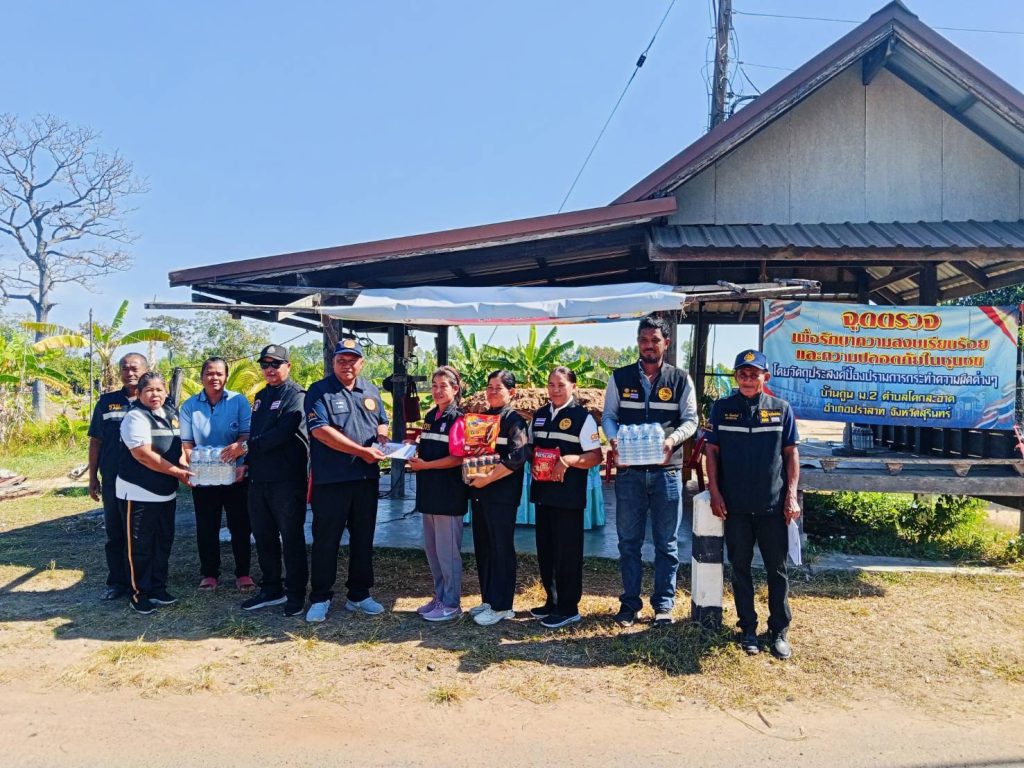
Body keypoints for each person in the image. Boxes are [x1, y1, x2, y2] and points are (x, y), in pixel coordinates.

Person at [602, 315, 698, 627]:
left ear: (666, 343)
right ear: (637, 343)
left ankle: (663, 605)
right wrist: (614, 439)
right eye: (643, 340)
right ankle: (629, 604)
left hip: (666, 473)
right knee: (628, 542)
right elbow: (609, 416)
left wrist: (672, 440)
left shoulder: (680, 379)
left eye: (654, 340)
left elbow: (691, 420)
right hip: (629, 474)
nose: (648, 346)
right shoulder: (620, 378)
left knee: (666, 543)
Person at [705, 349, 801, 659]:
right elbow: (711, 453)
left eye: (754, 374)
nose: (747, 379)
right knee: (740, 568)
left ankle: (778, 629)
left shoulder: (781, 410)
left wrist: (791, 495)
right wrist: (715, 492)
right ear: (736, 377)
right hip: (735, 507)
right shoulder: (721, 409)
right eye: (742, 374)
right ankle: (747, 627)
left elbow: (791, 454)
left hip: (772, 506)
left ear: (765, 377)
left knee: (777, 570)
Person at [303, 337, 389, 623]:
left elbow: (382, 420)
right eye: (342, 360)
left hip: (365, 478)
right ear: (334, 362)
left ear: (361, 363)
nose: (347, 365)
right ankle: (320, 597)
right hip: (332, 480)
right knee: (326, 540)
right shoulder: (319, 391)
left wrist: (383, 436)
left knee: (363, 538)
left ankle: (359, 595)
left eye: (353, 360)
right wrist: (362, 451)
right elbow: (320, 431)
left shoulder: (370, 389)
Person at [528, 366, 603, 629]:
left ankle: (569, 607)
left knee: (567, 553)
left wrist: (569, 460)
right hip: (543, 494)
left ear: (573, 386)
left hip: (568, 497)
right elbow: (530, 448)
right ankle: (552, 601)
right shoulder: (539, 415)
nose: (555, 390)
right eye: (551, 384)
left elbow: (595, 456)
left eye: (561, 385)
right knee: (546, 550)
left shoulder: (583, 418)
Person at [116, 371, 192, 614]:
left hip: (165, 492)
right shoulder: (135, 417)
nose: (154, 394)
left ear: (166, 392)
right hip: (138, 492)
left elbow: (178, 447)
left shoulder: (170, 414)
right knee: (139, 546)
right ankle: (139, 593)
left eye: (159, 389)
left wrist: (185, 463)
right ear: (139, 394)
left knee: (163, 542)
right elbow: (144, 456)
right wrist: (178, 473)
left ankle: (158, 588)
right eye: (149, 390)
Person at [241, 345, 309, 617]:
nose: (269, 369)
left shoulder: (296, 396)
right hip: (259, 480)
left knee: (291, 538)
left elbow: (282, 434)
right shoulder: (261, 396)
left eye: (275, 364)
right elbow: (256, 433)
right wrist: (246, 463)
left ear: (288, 366)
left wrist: (246, 447)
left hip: (286, 481)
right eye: (265, 365)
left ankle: (295, 593)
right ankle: (271, 589)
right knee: (263, 536)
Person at [179, 357, 253, 591]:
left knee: (240, 526)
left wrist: (240, 456)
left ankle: (243, 573)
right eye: (209, 373)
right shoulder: (189, 406)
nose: (214, 378)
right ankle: (210, 573)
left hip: (235, 474)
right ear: (201, 376)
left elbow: (247, 435)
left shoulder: (239, 401)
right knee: (206, 526)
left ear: (226, 376)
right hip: (204, 476)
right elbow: (187, 443)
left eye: (219, 373)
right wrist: (192, 468)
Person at [466, 370, 528, 627]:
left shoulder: (515, 421)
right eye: (489, 387)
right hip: (480, 493)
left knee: (501, 548)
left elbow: (517, 458)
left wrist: (488, 478)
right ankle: (489, 599)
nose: (492, 392)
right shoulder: (483, 418)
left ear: (511, 392)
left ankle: (503, 605)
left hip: (501, 495)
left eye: (498, 388)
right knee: (484, 547)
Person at [407, 366, 468, 623]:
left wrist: (427, 466)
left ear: (455, 389)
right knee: (432, 550)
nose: (438, 391)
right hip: (429, 491)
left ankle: (452, 603)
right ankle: (440, 596)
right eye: (434, 386)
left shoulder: (459, 419)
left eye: (443, 386)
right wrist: (411, 450)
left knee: (447, 552)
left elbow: (458, 457)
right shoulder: (431, 415)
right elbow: (428, 448)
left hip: (448, 493)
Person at [88, 352, 149, 601]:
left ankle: (144, 581)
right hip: (113, 478)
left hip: (145, 479)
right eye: (125, 368)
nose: (130, 373)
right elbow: (96, 441)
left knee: (142, 532)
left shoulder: (155, 400)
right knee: (115, 532)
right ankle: (117, 582)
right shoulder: (107, 402)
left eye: (135, 368)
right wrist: (92, 477)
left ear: (145, 371)